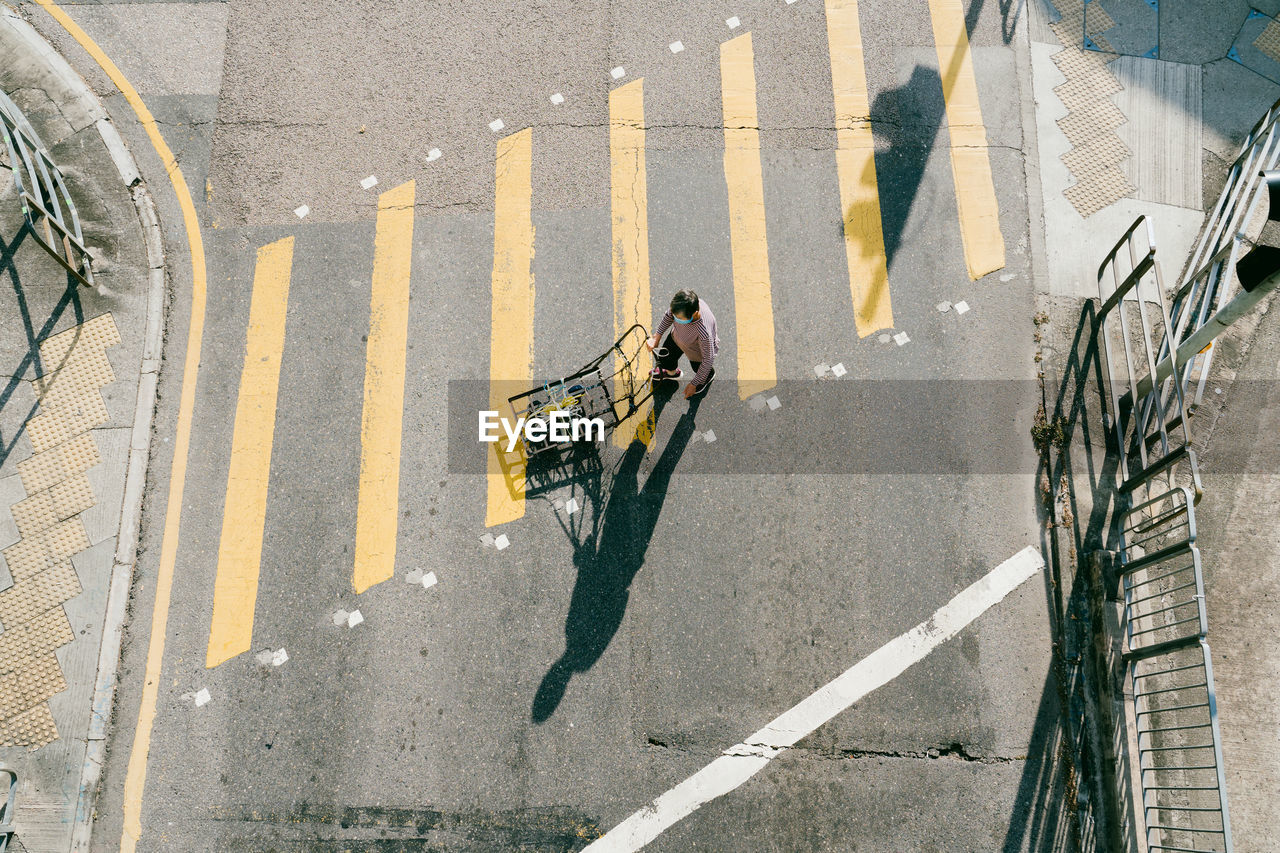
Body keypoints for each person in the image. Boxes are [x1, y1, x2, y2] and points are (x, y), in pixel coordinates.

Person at [646, 289, 719, 399]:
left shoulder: (704, 333)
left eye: (679, 318)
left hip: (696, 350)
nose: (675, 318)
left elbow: (708, 359)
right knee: (665, 358)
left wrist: (694, 384)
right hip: (676, 337)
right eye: (675, 316)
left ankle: (707, 376)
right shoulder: (681, 306)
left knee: (699, 369)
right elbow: (668, 315)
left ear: (695, 314)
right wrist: (657, 337)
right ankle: (671, 373)